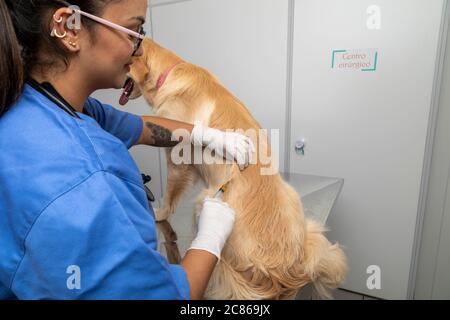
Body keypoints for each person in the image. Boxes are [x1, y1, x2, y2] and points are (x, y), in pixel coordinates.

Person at [0, 0, 254, 300]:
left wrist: (206, 135)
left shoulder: (43, 103)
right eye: (133, 31)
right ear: (69, 27)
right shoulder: (86, 185)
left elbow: (141, 127)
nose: (139, 48)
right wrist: (210, 237)